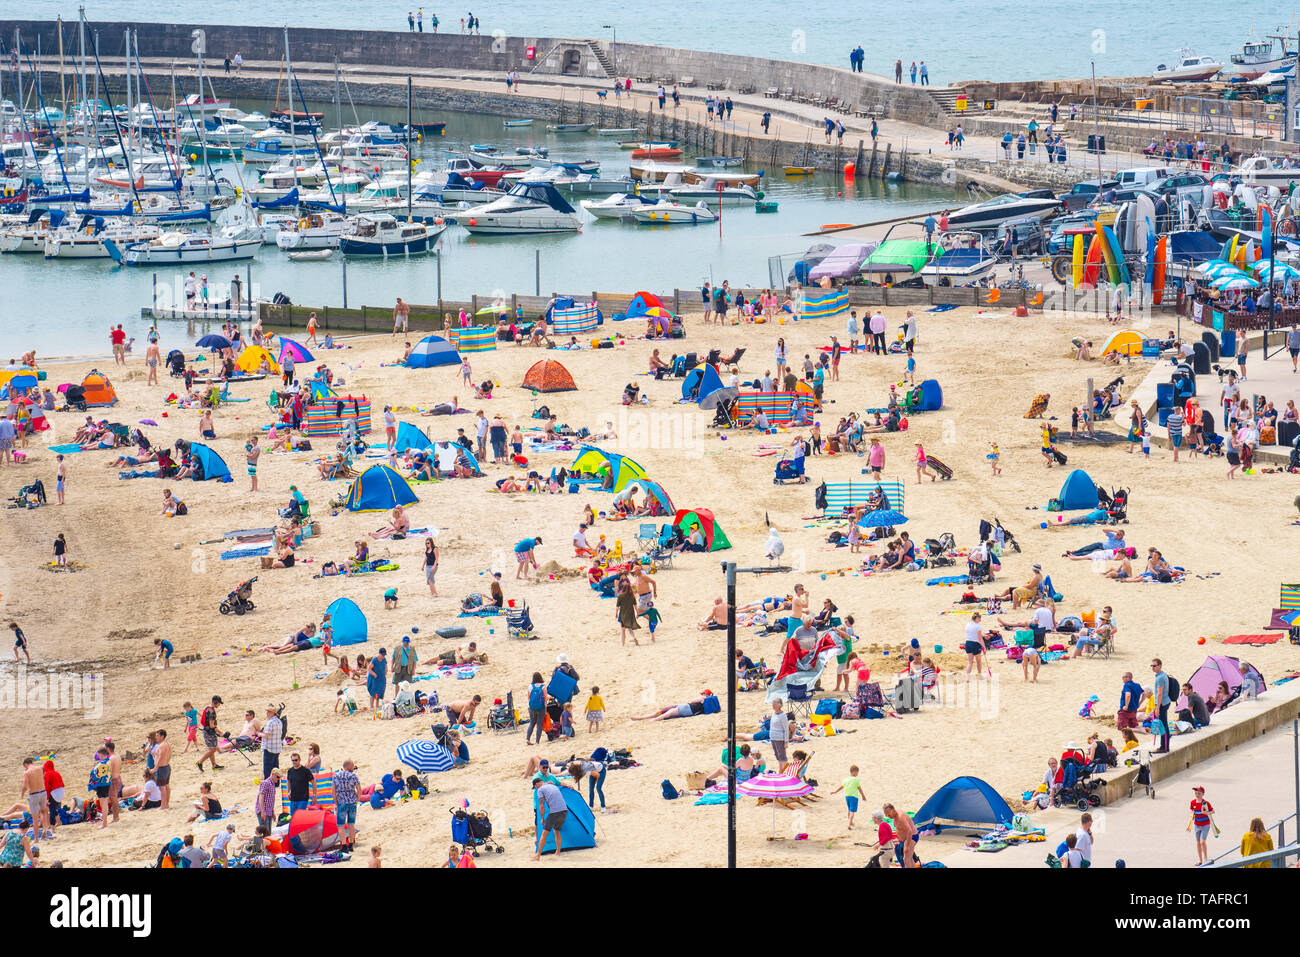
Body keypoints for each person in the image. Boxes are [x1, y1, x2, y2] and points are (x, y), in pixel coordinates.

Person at [532, 775, 569, 860]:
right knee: (557, 831)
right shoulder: (552, 785)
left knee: (544, 833)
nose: (535, 789)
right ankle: (558, 851)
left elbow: (541, 805)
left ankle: (537, 855)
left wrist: (542, 818)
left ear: (537, 784)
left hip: (555, 812)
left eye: (535, 787)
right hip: (564, 811)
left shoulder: (540, 790)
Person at [333, 760, 361, 851]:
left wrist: (336, 802)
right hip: (352, 802)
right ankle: (351, 844)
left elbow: (333, 791)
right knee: (351, 824)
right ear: (349, 766)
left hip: (342, 802)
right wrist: (356, 799)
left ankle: (344, 845)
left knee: (341, 825)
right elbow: (359, 790)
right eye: (353, 766)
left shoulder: (336, 776)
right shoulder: (353, 776)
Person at [1188, 786, 1216, 865]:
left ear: (1203, 794)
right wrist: (1192, 815)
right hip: (1197, 825)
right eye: (1196, 793)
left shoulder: (1205, 803)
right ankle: (1200, 860)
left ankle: (1206, 859)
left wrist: (1205, 813)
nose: (1197, 795)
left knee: (1202, 842)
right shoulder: (1193, 802)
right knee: (1198, 843)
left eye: (1199, 793)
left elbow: (1213, 811)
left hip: (1205, 825)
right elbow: (1192, 810)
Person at [884, 802, 919, 867]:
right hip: (905, 839)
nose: (889, 817)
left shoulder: (900, 818)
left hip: (911, 837)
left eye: (889, 815)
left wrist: (907, 846)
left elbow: (909, 831)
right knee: (910, 858)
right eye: (887, 816)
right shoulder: (895, 815)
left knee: (906, 859)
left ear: (893, 810)